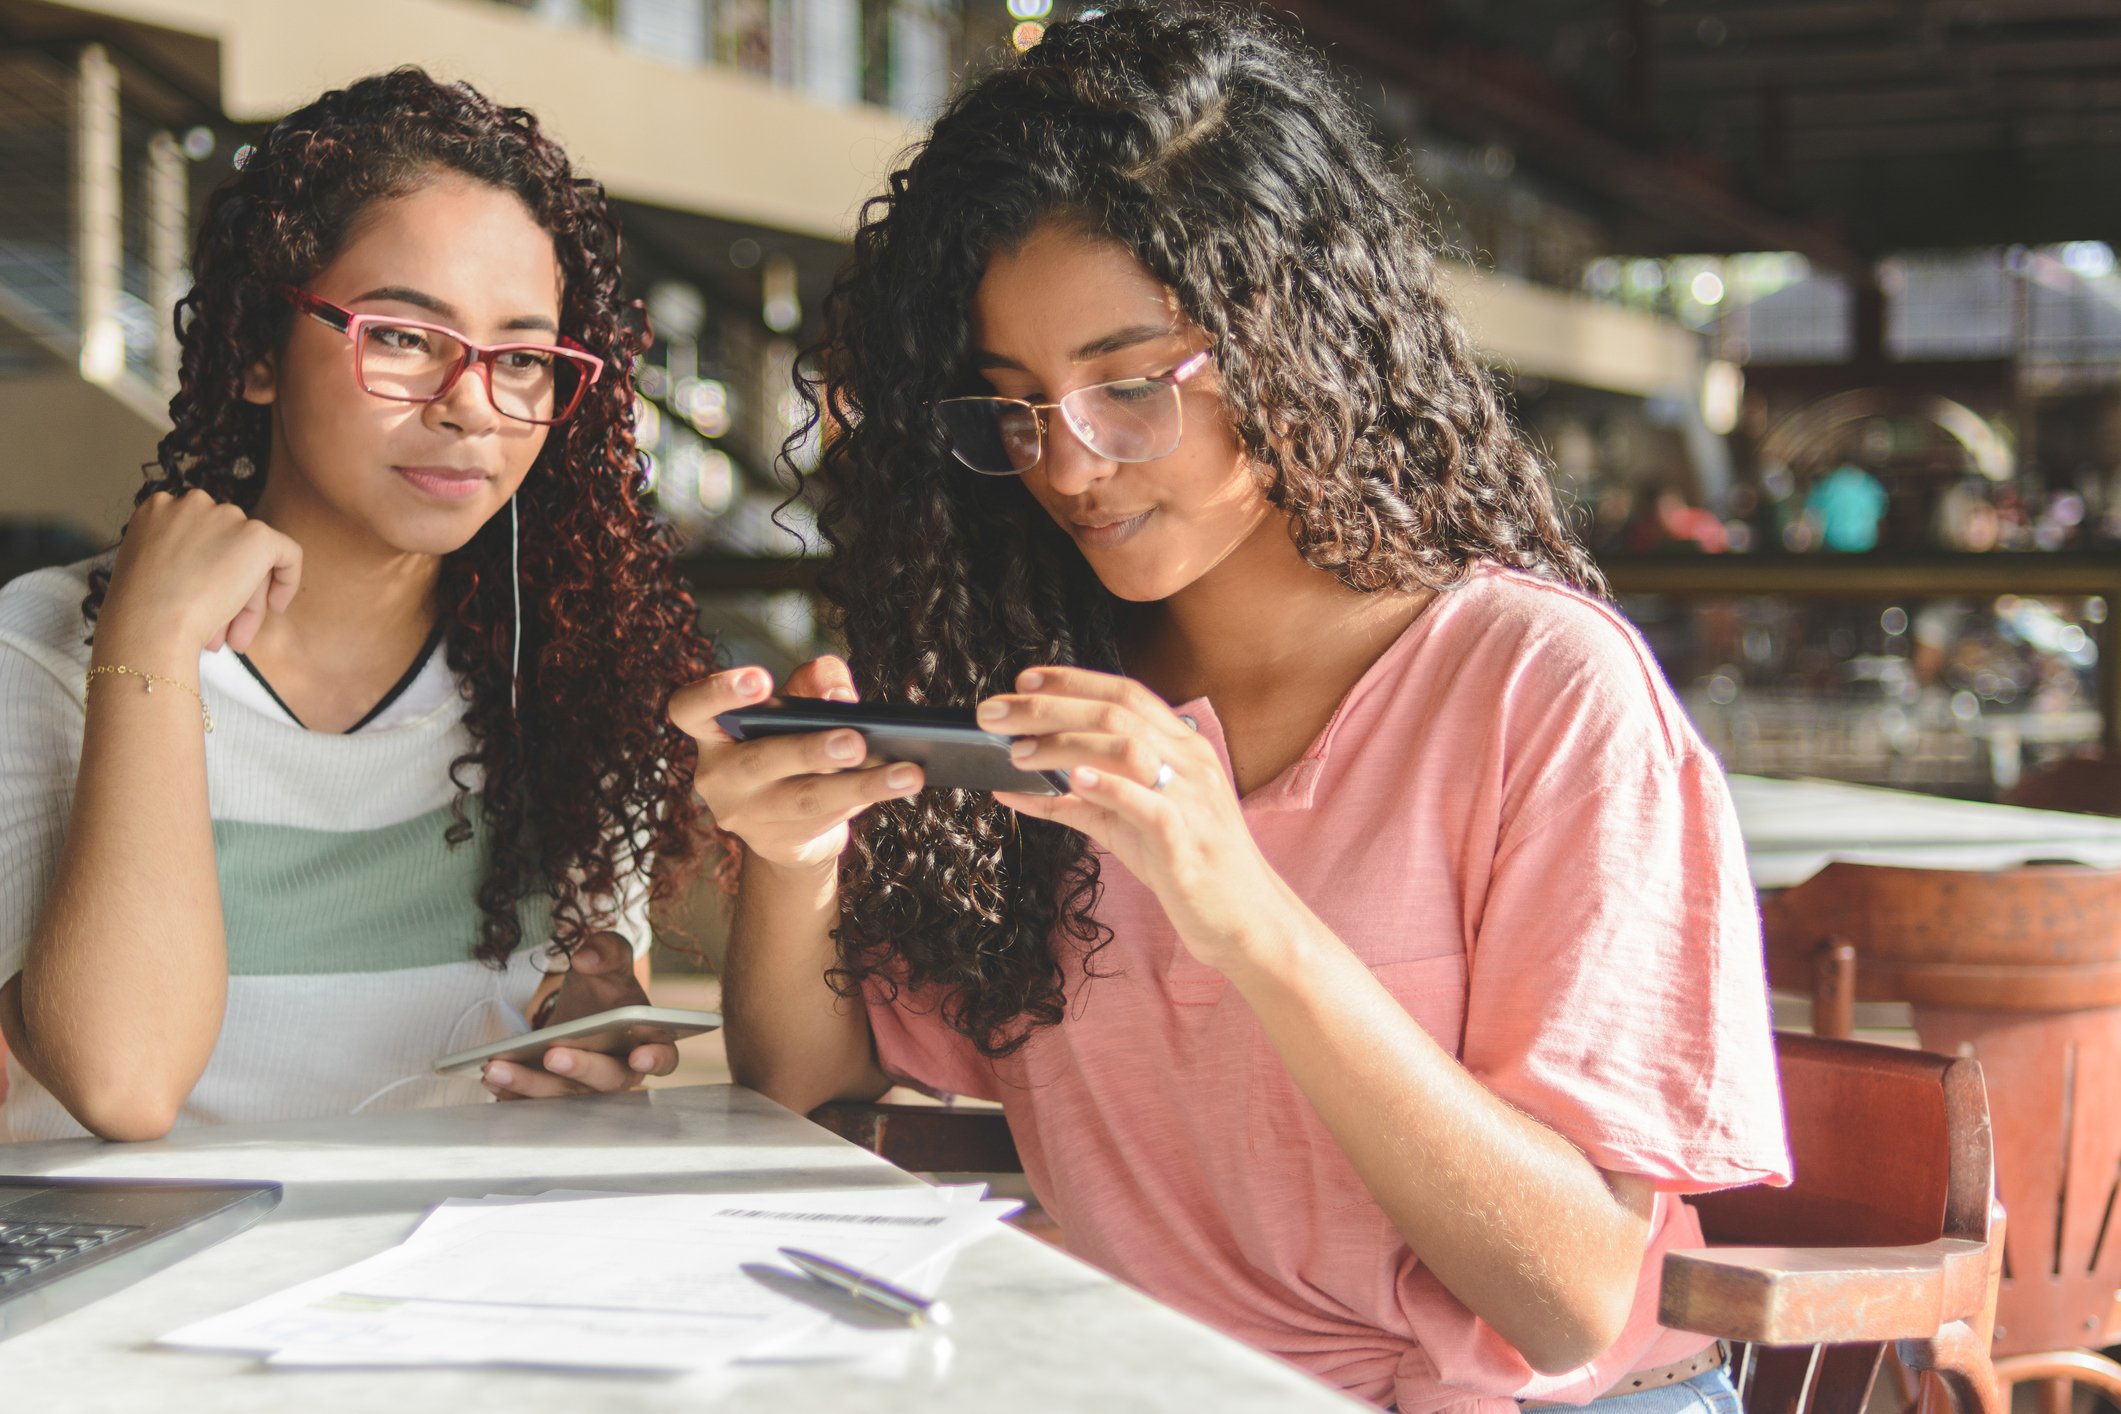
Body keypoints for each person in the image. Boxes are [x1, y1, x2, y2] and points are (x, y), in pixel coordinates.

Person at [675, 8, 1787, 1412]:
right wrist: (794, 863)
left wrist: (1240, 906)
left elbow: (1565, 1302)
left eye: (1132, 385)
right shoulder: (1038, 680)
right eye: (1015, 405)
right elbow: (808, 1077)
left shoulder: (1541, 688)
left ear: (1292, 338)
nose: (1069, 463)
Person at [0, 70, 710, 1142]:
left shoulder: (568, 676)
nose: (471, 406)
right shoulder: (43, 656)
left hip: (444, 1282)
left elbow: (589, 1006)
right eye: (401, 336)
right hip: (143, 1294)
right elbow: (123, 1083)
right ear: (253, 351)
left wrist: (583, 1043)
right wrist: (146, 646)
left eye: (521, 358)